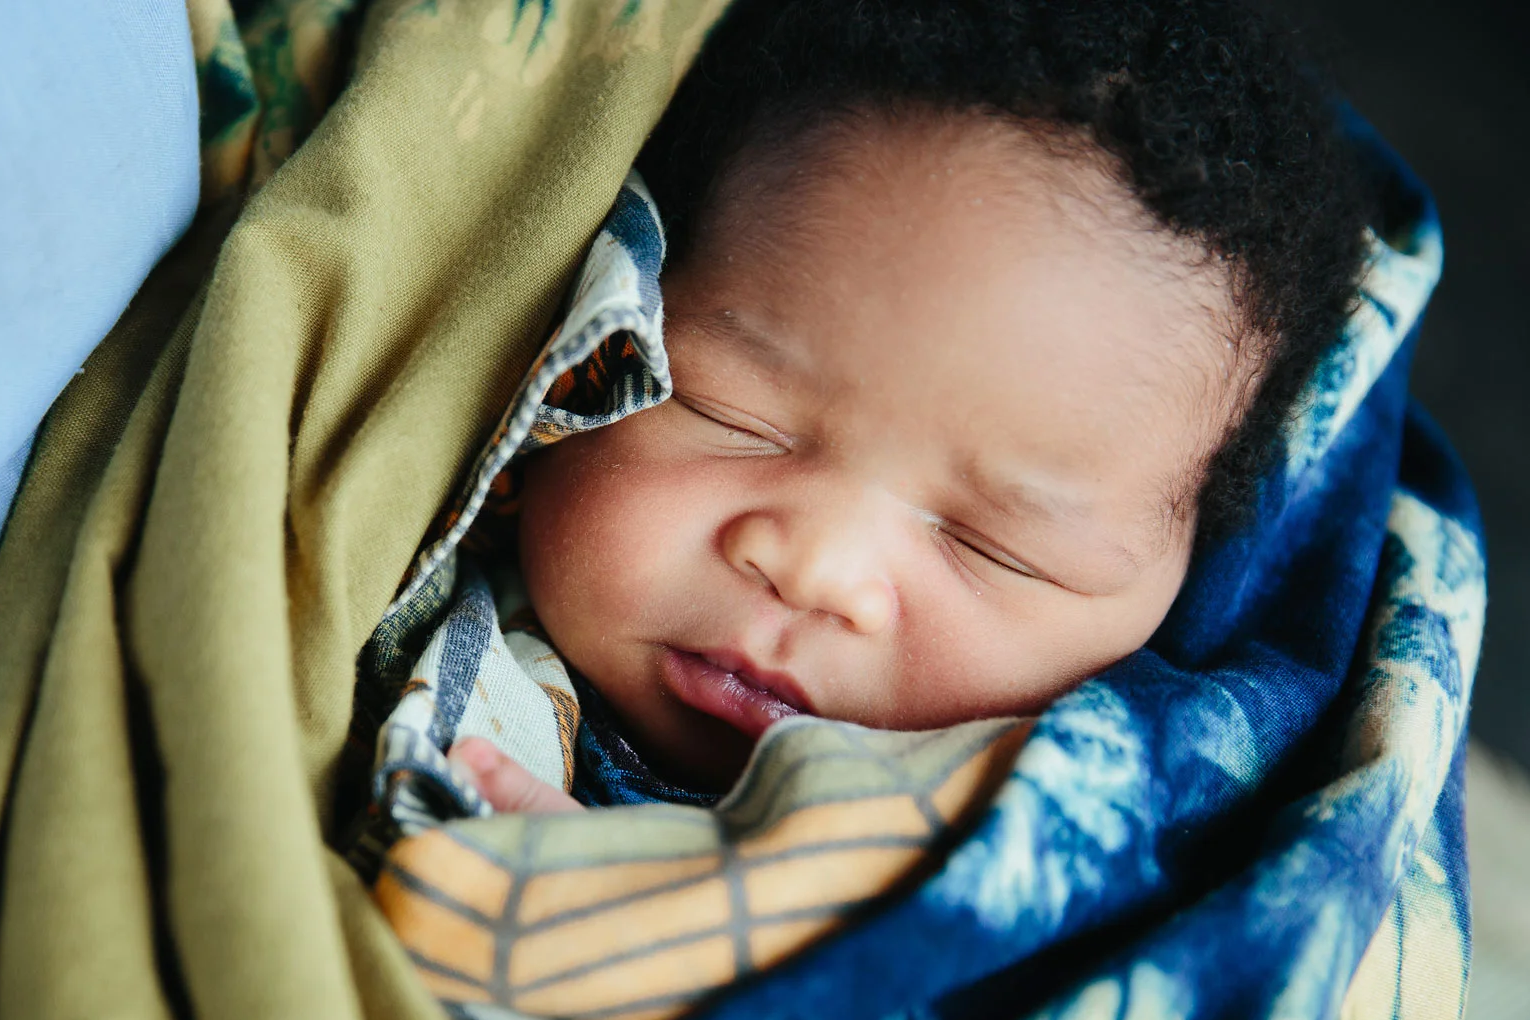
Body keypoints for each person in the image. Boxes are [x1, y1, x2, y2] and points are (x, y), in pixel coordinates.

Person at [435, 0, 1372, 816]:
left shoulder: (1139, 858)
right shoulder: (376, 529)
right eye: (734, 417)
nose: (818, 570)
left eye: (996, 548)